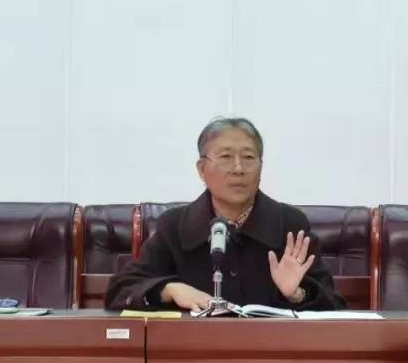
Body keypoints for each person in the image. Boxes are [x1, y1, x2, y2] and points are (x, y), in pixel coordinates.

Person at [107, 117, 346, 312]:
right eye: (226, 157)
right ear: (202, 169)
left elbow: (334, 305)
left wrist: (297, 294)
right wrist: (169, 290)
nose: (238, 169)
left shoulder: (290, 225)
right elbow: (120, 291)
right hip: (194, 351)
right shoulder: (175, 227)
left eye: (248, 158)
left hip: (273, 351)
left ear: (261, 167)